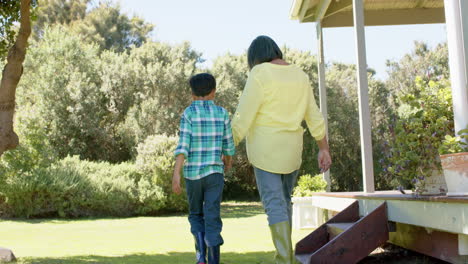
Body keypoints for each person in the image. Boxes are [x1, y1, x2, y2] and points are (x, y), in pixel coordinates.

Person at [231, 36, 332, 264]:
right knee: (284, 202)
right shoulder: (300, 75)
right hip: (291, 151)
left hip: (265, 152)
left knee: (275, 204)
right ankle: (286, 258)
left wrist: (228, 147)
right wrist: (323, 148)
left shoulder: (259, 73)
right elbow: (314, 116)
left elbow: (242, 117)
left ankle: (284, 260)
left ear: (255, 57)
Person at [172, 73, 235, 264]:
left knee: (196, 214)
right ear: (214, 92)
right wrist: (228, 161)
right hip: (215, 173)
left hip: (192, 175)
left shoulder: (189, 113)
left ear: (192, 94)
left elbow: (183, 145)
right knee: (212, 215)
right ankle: (214, 261)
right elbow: (228, 145)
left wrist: (176, 174)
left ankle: (201, 257)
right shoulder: (222, 113)